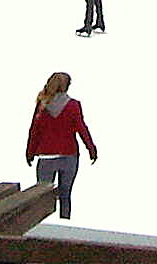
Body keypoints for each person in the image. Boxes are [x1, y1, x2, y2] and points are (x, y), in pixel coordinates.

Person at [25, 72, 96, 220]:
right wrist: (91, 148)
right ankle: (64, 225)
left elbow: (35, 130)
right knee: (65, 194)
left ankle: (40, 226)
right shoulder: (74, 105)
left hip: (46, 157)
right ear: (67, 86)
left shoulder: (42, 104)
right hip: (69, 155)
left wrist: (30, 152)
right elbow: (81, 128)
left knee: (42, 196)